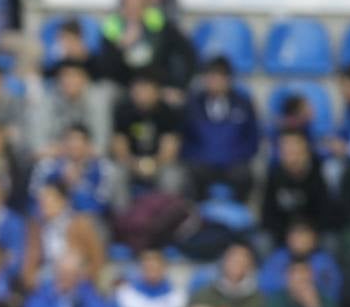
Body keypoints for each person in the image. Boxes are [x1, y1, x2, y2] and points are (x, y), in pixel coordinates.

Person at [182, 56, 259, 202]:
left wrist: (235, 155)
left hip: (234, 163)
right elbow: (185, 139)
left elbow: (252, 139)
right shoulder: (193, 105)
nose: (215, 81)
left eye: (220, 76)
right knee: (190, 174)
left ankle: (238, 219)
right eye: (211, 76)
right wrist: (200, 155)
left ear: (228, 79)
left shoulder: (243, 104)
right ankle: (197, 217)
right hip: (202, 163)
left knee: (245, 175)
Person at [111, 68, 186, 196]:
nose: (140, 93)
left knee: (172, 176)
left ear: (157, 91)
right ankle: (123, 214)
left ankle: (166, 214)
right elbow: (119, 146)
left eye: (146, 88)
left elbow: (169, 150)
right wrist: (135, 164)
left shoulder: (168, 113)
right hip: (131, 163)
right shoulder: (123, 111)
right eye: (137, 88)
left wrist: (151, 165)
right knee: (115, 173)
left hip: (160, 163)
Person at [261, 130, 331, 249]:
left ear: (305, 150)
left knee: (330, 241)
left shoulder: (318, 175)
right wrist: (289, 236)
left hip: (312, 234)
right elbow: (268, 215)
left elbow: (325, 214)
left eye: (295, 149)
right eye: (286, 150)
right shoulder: (274, 177)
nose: (291, 155)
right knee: (263, 242)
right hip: (283, 236)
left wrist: (308, 234)